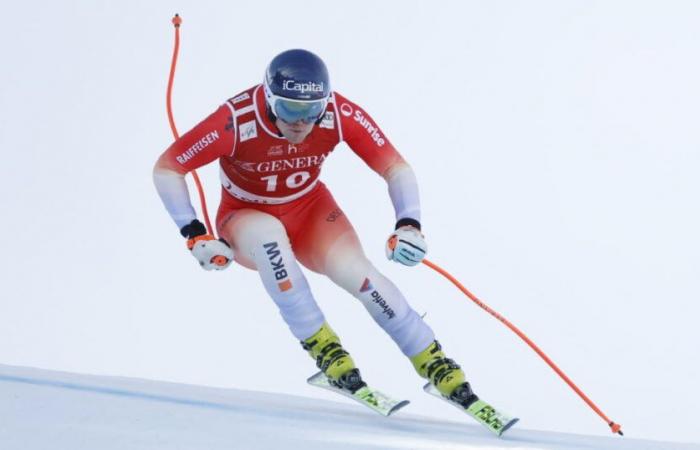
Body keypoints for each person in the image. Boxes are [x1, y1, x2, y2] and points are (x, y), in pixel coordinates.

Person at [153, 49, 476, 405]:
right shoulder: (235, 119)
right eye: (290, 109)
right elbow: (168, 167)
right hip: (245, 216)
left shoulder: (338, 114)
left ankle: (435, 362)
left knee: (359, 275)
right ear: (269, 99)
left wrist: (409, 224)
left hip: (309, 210)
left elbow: (396, 168)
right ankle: (328, 353)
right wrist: (194, 234)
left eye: (312, 111)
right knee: (269, 241)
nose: (301, 123)